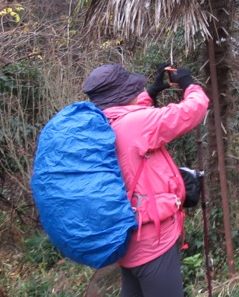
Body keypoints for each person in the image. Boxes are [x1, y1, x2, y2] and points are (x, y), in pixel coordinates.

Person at [82, 62, 209, 297]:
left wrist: (151, 93)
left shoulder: (100, 124)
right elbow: (194, 110)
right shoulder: (138, 124)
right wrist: (189, 84)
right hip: (152, 241)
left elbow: (130, 118)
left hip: (126, 237)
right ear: (125, 93)